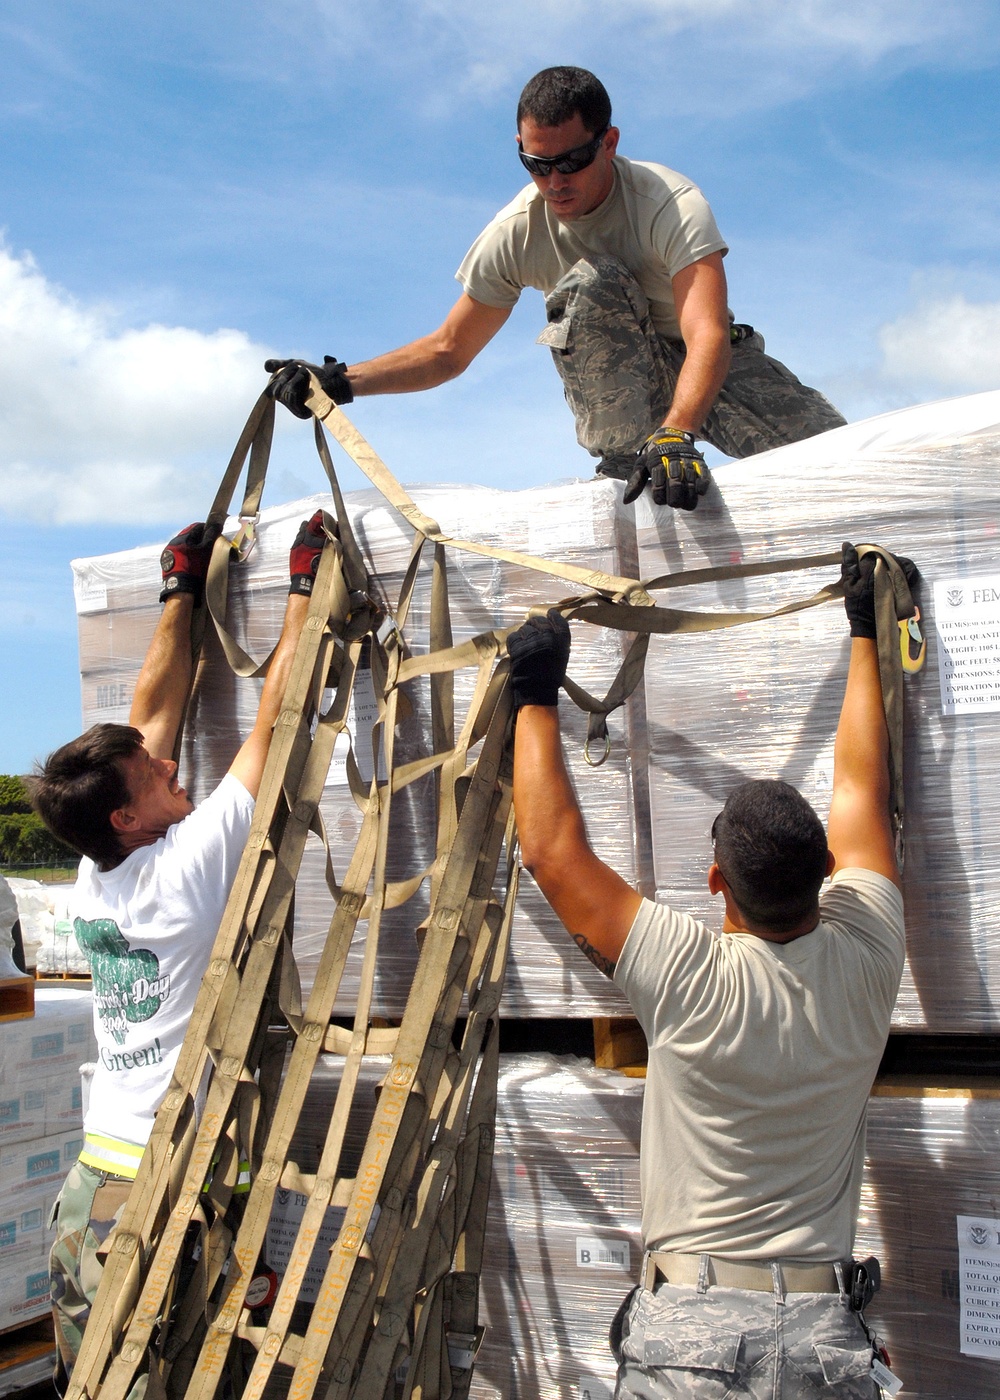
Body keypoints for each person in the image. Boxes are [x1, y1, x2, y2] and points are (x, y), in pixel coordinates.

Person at [507, 543, 913, 1398]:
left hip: (690, 1339)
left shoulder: (687, 976)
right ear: (826, 871)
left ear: (716, 880)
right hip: (823, 1346)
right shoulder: (871, 950)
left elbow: (548, 851)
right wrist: (866, 631)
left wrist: (534, 692)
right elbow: (861, 795)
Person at [28, 512, 330, 1383]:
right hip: (156, 1191)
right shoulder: (186, 870)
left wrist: (179, 591)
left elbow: (148, 717)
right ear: (126, 818)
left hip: (96, 1183)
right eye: (158, 778)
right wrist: (305, 587)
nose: (176, 769)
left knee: (90, 1380)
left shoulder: (102, 873)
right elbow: (274, 722)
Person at [265, 66, 845, 512]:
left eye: (570, 162)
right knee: (592, 283)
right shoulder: (516, 233)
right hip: (623, 386)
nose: (554, 182)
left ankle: (664, 448)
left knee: (845, 467)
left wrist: (677, 433)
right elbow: (448, 350)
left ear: (608, 141)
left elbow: (707, 333)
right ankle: (624, 465)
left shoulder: (669, 203)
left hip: (706, 367)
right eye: (536, 165)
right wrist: (339, 382)